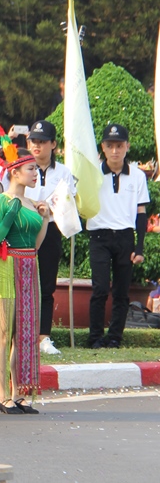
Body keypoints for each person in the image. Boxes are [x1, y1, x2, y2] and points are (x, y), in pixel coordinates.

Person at [0, 141, 49, 414]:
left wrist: (45, 218)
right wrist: (13, 209)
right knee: (4, 333)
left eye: (36, 169)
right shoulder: (2, 200)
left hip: (29, 266)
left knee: (25, 335)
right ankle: (3, 396)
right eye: (30, 168)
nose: (35, 173)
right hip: (6, 266)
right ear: (14, 172)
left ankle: (19, 392)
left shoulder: (31, 202)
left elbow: (36, 245)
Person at [15, 120, 76, 356]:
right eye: (33, 141)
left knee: (46, 285)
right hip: (23, 228)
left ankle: (43, 336)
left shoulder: (64, 172)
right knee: (19, 284)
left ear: (53, 144)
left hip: (50, 229)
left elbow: (68, 201)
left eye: (42, 142)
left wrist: (49, 209)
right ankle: (20, 335)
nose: (37, 146)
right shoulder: (20, 167)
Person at [86, 124, 149, 349]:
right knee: (100, 288)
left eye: (119, 146)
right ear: (103, 147)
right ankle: (95, 337)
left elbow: (141, 213)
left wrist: (139, 248)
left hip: (125, 237)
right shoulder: (93, 173)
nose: (115, 151)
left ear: (127, 147)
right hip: (99, 236)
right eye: (110, 146)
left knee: (121, 292)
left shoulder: (138, 176)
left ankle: (115, 337)